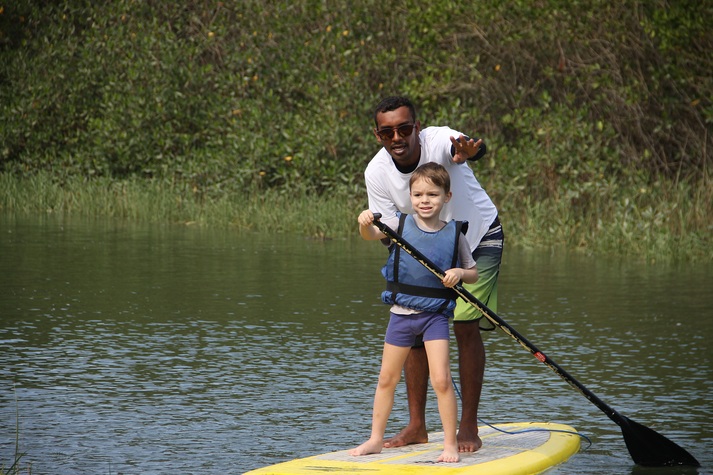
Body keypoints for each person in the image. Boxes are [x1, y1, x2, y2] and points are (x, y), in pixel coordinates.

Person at [364, 96, 504, 453]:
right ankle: (417, 425)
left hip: (478, 238)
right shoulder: (376, 172)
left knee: (464, 325)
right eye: (387, 132)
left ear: (417, 127)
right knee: (413, 317)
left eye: (404, 129)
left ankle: (468, 425)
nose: (397, 137)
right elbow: (389, 235)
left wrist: (469, 152)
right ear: (378, 135)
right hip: (427, 250)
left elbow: (469, 147)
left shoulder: (439, 139)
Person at [350, 163, 478, 463]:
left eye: (432, 194)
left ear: (446, 197)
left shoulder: (454, 234)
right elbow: (369, 234)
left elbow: (473, 274)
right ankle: (375, 439)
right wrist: (364, 222)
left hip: (434, 318)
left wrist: (459, 273)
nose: (425, 200)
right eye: (418, 194)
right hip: (401, 316)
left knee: (441, 380)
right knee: (387, 378)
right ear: (410, 197)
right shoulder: (398, 225)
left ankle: (449, 444)